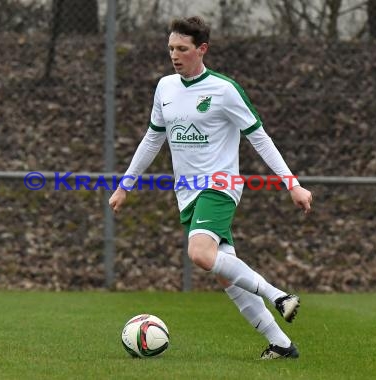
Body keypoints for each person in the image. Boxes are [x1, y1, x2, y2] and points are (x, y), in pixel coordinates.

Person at [109, 16, 313, 359]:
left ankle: (279, 295)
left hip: (219, 185)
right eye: (171, 48)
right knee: (225, 274)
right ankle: (282, 344)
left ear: (201, 49)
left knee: (200, 255)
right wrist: (124, 185)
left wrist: (292, 184)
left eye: (183, 49)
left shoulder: (224, 89)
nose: (175, 55)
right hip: (186, 192)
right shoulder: (165, 87)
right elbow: (152, 140)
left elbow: (260, 139)